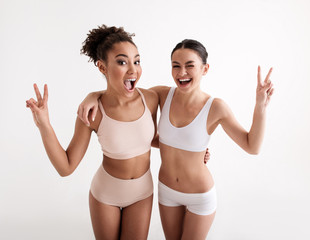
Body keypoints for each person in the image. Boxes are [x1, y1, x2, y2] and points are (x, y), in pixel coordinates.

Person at [78, 39, 274, 239]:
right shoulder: (162, 95)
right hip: (167, 193)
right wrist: (93, 95)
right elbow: (122, 93)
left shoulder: (216, 107)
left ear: (205, 69)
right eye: (176, 66)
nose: (182, 73)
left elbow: (252, 146)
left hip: (199, 196)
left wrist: (260, 106)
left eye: (190, 66)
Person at [26, 25, 160, 240]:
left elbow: (153, 138)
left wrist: (194, 151)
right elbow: (66, 167)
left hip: (142, 193)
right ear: (102, 67)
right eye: (122, 61)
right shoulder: (93, 112)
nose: (133, 70)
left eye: (137, 61)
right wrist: (44, 124)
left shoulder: (152, 98)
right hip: (106, 195)